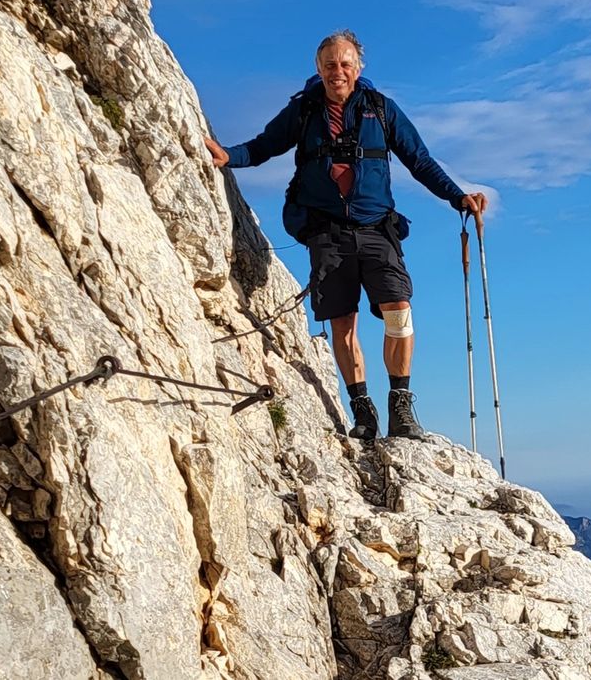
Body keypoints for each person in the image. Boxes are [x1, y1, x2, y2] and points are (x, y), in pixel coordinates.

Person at [205, 30, 487, 441]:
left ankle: (400, 407)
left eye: (345, 63)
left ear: (358, 68)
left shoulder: (381, 109)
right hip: (327, 232)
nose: (338, 71)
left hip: (377, 228)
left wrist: (457, 197)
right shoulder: (303, 112)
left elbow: (420, 160)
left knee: (399, 311)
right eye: (330, 64)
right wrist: (230, 157)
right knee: (343, 323)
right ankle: (363, 411)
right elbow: (266, 145)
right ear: (318, 69)